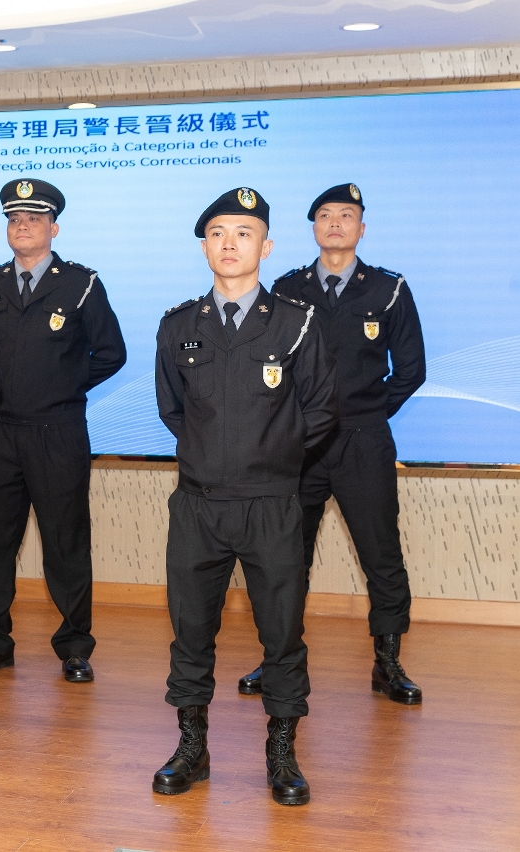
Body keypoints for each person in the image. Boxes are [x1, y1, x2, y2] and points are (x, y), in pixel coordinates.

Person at [152, 187, 337, 806]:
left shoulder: (296, 322)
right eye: (217, 234)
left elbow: (321, 409)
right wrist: (214, 454)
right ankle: (192, 747)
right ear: (205, 247)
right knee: (190, 631)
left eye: (243, 233)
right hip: (199, 505)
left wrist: (272, 454)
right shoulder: (179, 325)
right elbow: (174, 410)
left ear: (267, 246)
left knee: (281, 633)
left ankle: (281, 753)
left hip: (272, 503)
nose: (229, 244)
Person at [237, 184, 426, 705]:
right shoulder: (287, 288)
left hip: (364, 442)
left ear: (362, 228)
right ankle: (278, 657)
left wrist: (365, 414)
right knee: (284, 556)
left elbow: (410, 370)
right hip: (300, 445)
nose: (336, 223)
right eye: (325, 215)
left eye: (346, 215)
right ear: (314, 227)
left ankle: (388, 662)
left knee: (381, 553)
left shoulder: (388, 289)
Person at [0, 179, 126, 683]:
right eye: (14, 219)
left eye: (33, 219)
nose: (22, 226)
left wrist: (64, 384)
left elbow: (112, 353)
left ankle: (75, 647)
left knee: (65, 542)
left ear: (53, 228)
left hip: (58, 431)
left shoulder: (81, 284)